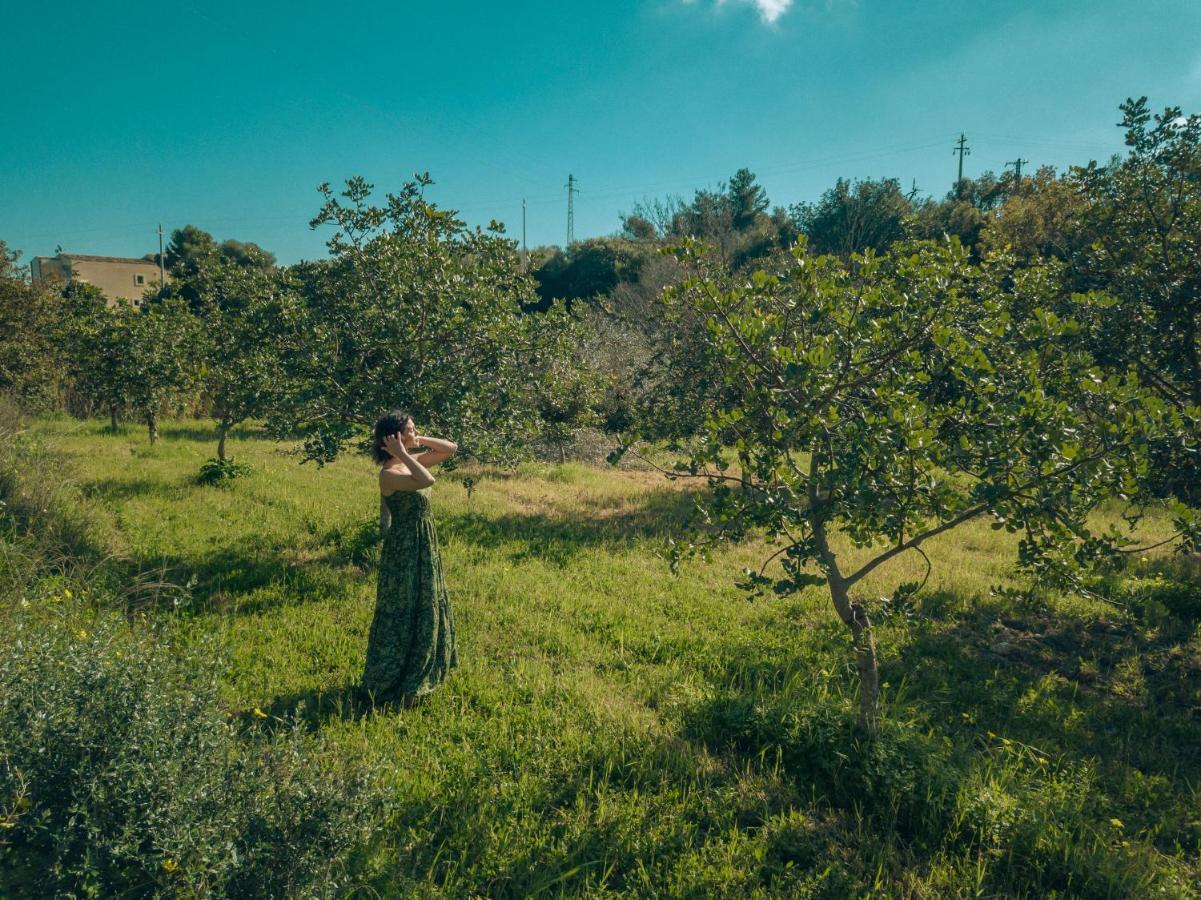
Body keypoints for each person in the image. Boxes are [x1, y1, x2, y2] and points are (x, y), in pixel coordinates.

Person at [361, 410, 459, 708]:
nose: (416, 434)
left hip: (423, 544)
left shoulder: (409, 463)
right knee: (403, 608)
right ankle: (395, 681)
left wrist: (413, 441)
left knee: (425, 600)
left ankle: (422, 668)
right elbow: (426, 481)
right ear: (391, 441)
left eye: (416, 429)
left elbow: (450, 449)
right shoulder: (389, 474)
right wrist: (403, 452)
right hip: (403, 549)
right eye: (410, 430)